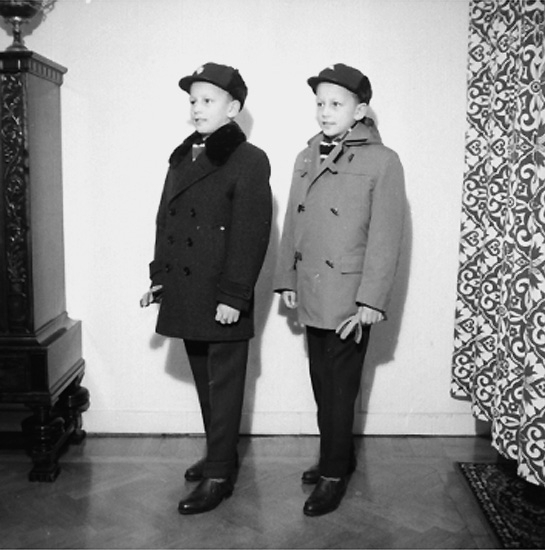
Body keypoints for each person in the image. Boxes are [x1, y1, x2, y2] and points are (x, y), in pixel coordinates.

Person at [274, 63, 406, 516]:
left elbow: (386, 236)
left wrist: (372, 300)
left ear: (360, 110)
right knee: (321, 382)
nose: (325, 112)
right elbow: (293, 219)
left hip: (349, 297)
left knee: (339, 387)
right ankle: (339, 454)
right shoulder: (306, 155)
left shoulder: (383, 161)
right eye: (320, 103)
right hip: (312, 288)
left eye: (336, 103)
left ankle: (333, 473)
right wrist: (286, 278)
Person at [141, 62, 272, 515]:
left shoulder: (250, 159)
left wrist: (234, 296)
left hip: (221, 295)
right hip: (186, 288)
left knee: (225, 383)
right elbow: (165, 219)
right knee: (204, 380)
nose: (197, 108)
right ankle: (220, 455)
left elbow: (251, 233)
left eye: (208, 100)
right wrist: (160, 277)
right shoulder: (182, 156)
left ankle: (219, 475)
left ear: (233, 108)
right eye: (193, 100)